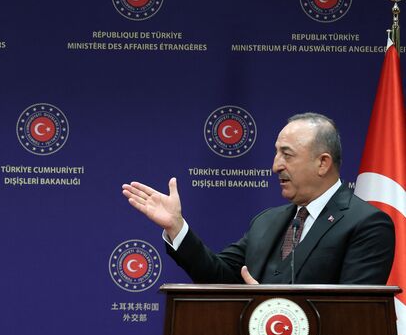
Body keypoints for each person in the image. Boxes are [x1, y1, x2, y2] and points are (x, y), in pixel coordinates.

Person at [121, 113, 394, 285]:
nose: (276, 166)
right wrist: (176, 227)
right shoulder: (267, 222)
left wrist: (272, 307)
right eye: (276, 154)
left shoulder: (367, 224)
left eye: (287, 155)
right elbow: (221, 278)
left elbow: (355, 313)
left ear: (323, 163)